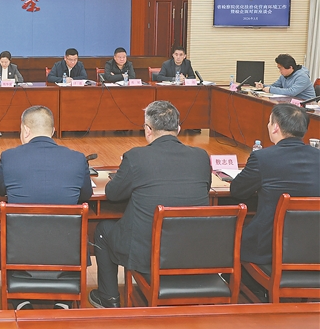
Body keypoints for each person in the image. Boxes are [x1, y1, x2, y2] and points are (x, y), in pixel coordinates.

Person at [89, 101, 211, 308]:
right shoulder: (201, 157)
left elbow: (112, 193)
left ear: (148, 129)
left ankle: (109, 298)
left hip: (148, 257)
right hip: (192, 253)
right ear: (178, 128)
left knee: (103, 230)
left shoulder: (136, 157)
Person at [0, 106, 91, 309]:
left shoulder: (9, 157)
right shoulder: (78, 159)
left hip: (18, 250)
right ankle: (64, 301)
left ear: (25, 130)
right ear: (52, 131)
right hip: (65, 250)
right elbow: (85, 196)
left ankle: (20, 301)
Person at [230, 104, 320, 301]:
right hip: (314, 248)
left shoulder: (263, 157)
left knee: (235, 230)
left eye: (269, 122)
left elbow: (237, 191)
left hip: (268, 250)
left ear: (276, 127)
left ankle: (251, 293)